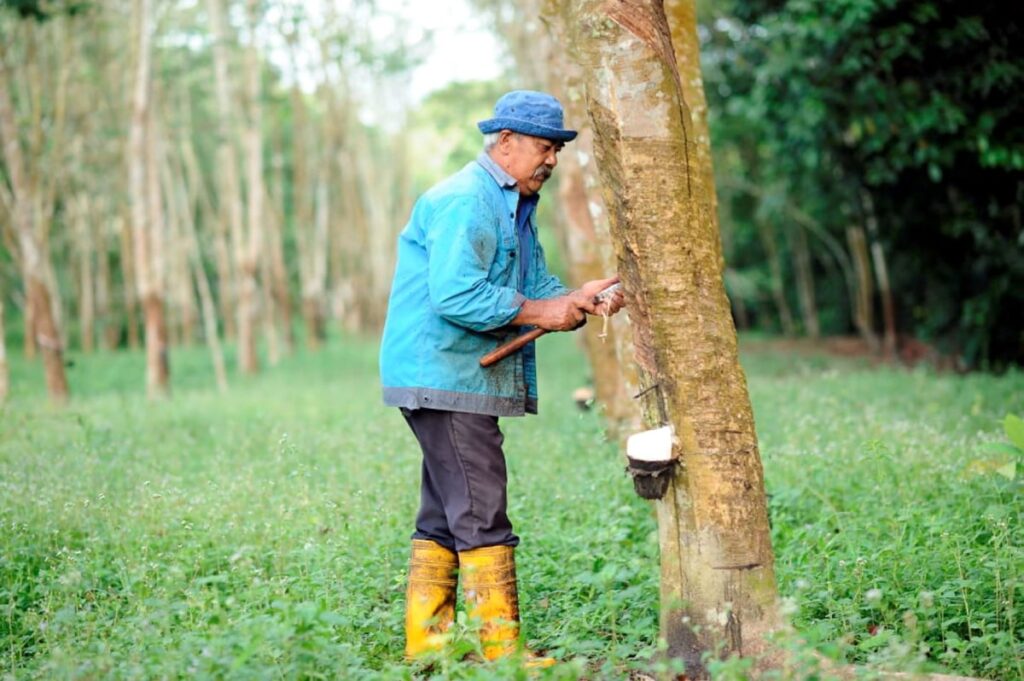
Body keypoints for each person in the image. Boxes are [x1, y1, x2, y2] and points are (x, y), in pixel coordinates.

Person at [379, 90, 625, 665]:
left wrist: (578, 298)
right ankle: (501, 656)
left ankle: (429, 648)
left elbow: (535, 288)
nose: (552, 159)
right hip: (446, 374)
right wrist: (542, 311)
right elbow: (456, 294)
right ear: (506, 142)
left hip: (452, 376)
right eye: (545, 147)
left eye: (558, 150)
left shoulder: (514, 204)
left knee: (444, 512)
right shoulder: (467, 199)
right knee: (481, 509)